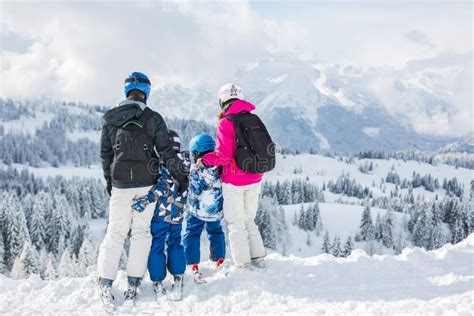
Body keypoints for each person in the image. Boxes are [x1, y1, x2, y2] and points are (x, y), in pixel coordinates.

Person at [97, 72, 189, 309]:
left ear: (126, 91)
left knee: (115, 233)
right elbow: (167, 152)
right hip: (146, 183)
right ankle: (133, 281)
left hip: (120, 184)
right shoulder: (153, 118)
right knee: (141, 233)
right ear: (146, 92)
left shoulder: (111, 119)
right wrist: (180, 177)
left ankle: (105, 282)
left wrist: (110, 182)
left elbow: (106, 155)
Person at [195, 84, 266, 269]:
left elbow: (224, 156)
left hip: (235, 180)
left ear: (222, 101)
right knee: (249, 219)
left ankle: (242, 264)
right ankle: (259, 259)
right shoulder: (254, 118)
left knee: (236, 222)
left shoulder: (226, 122)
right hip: (255, 177)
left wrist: (204, 160)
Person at [131, 130, 188, 301]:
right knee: (175, 243)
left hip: (160, 214)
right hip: (177, 214)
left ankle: (157, 280)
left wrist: (146, 199)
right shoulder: (186, 163)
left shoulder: (164, 164)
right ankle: (178, 274)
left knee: (157, 244)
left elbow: (163, 186)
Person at [183, 133, 225, 281]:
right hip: (215, 210)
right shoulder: (220, 165)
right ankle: (219, 259)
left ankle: (192, 263)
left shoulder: (196, 168)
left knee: (192, 233)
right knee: (216, 232)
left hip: (198, 211)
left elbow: (194, 189)